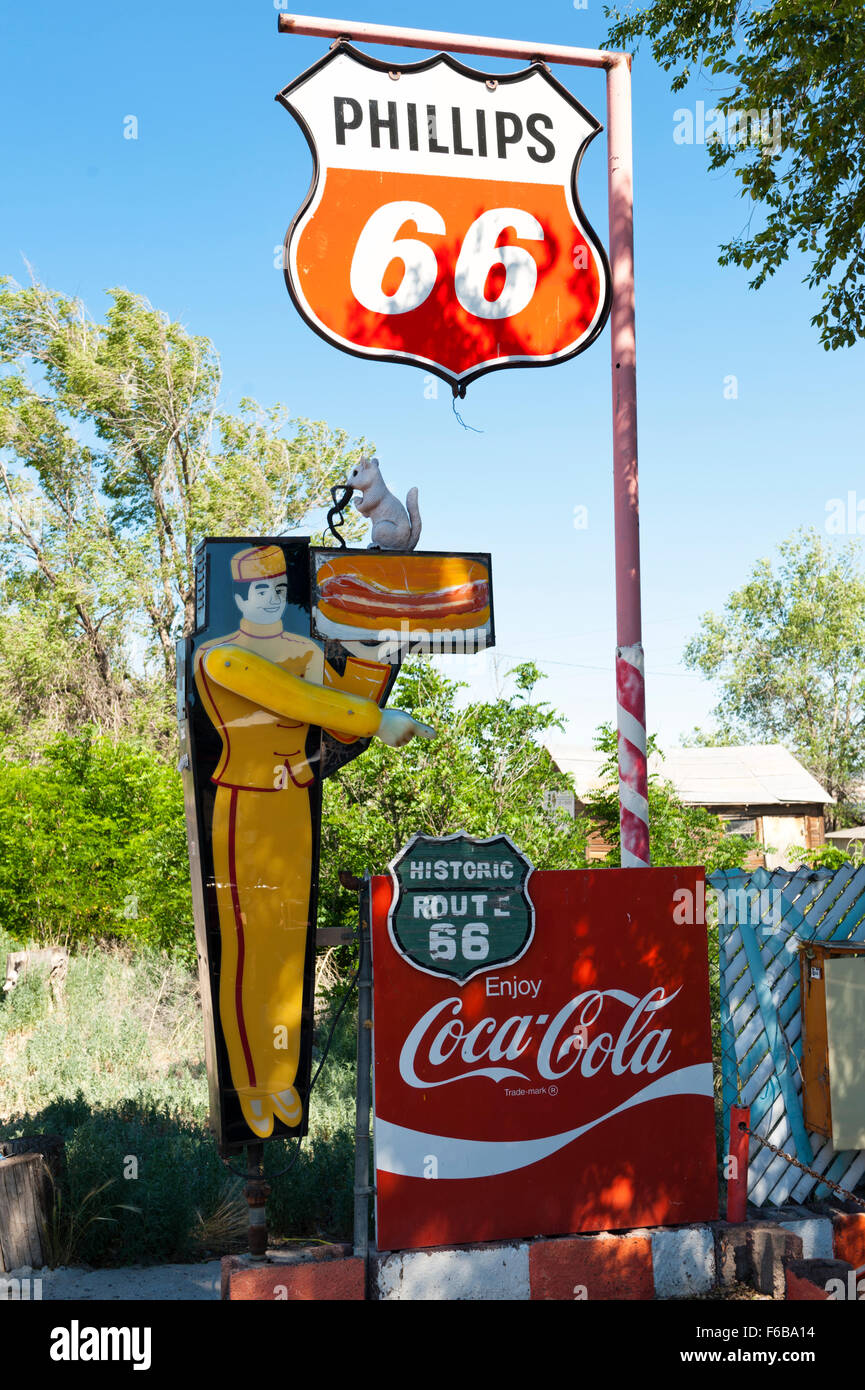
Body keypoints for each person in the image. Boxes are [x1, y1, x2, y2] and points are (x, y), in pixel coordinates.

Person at [193, 544, 433, 1138]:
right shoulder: (218, 658)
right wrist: (377, 720)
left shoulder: (303, 648)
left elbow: (345, 700)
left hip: (292, 804)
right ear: (239, 598)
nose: (272, 599)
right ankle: (248, 1082)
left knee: (288, 949)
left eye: (280, 590)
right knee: (248, 950)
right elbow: (300, 700)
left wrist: (383, 614)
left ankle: (280, 1077)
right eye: (260, 591)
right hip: (243, 804)